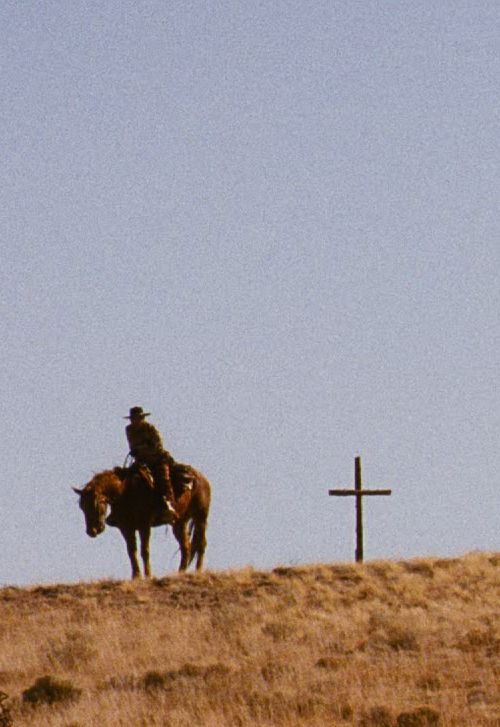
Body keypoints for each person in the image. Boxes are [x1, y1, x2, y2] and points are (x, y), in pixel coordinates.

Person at [123, 406, 177, 525]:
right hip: (141, 460)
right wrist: (136, 451)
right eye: (132, 419)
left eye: (137, 418)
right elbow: (132, 445)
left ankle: (168, 504)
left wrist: (143, 448)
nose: (134, 421)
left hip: (157, 458)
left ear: (142, 418)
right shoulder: (129, 430)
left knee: (163, 479)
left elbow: (158, 446)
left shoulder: (150, 428)